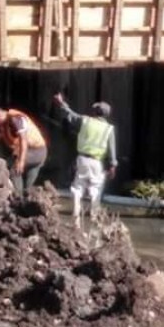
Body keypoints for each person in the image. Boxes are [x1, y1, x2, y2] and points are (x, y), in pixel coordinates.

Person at [53, 93, 117, 227]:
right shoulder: (109, 129)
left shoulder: (85, 120)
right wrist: (112, 166)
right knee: (95, 190)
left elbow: (70, 114)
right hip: (96, 162)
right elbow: (112, 149)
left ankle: (76, 218)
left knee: (77, 188)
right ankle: (94, 219)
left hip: (82, 159)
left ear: (95, 111)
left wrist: (61, 102)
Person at [0, 106, 47, 195]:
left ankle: (18, 197)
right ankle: (26, 200)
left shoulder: (16, 118)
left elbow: (24, 139)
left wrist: (21, 161)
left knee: (14, 169)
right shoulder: (4, 124)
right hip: (32, 152)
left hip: (36, 151)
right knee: (28, 188)